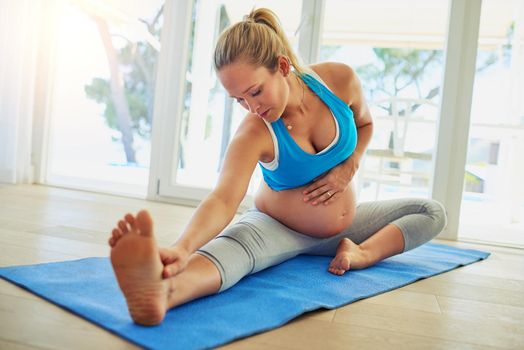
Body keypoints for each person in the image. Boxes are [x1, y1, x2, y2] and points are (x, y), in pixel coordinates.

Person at [107, 8, 447, 326]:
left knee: (429, 212)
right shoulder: (254, 133)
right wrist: (182, 247)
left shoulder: (339, 82)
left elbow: (366, 125)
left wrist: (350, 165)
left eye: (255, 92)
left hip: (343, 231)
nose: (251, 107)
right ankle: (162, 294)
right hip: (275, 227)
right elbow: (224, 199)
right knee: (231, 254)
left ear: (282, 66)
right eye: (239, 100)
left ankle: (361, 253)